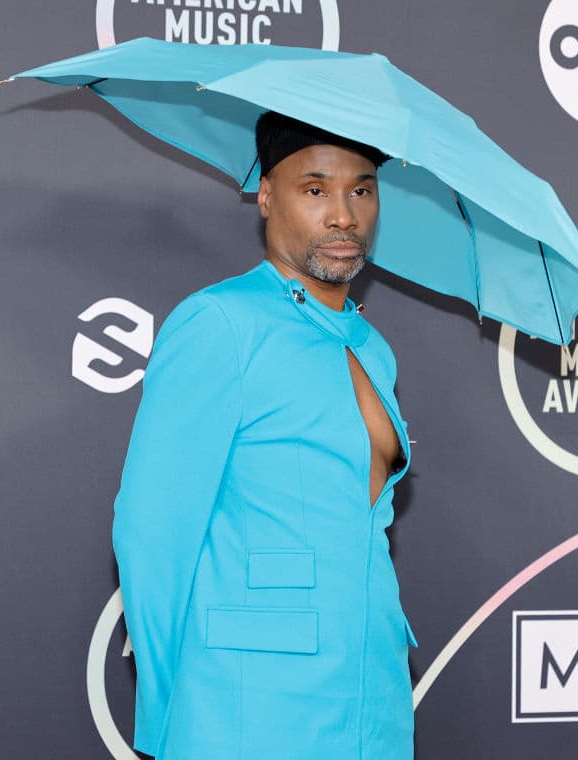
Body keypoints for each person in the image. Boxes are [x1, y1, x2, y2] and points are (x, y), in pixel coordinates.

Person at [112, 111, 419, 760]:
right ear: (267, 196)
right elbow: (153, 532)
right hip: (247, 706)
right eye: (315, 189)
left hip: (372, 698)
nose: (344, 215)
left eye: (361, 190)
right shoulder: (221, 324)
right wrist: (173, 713)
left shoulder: (373, 347)